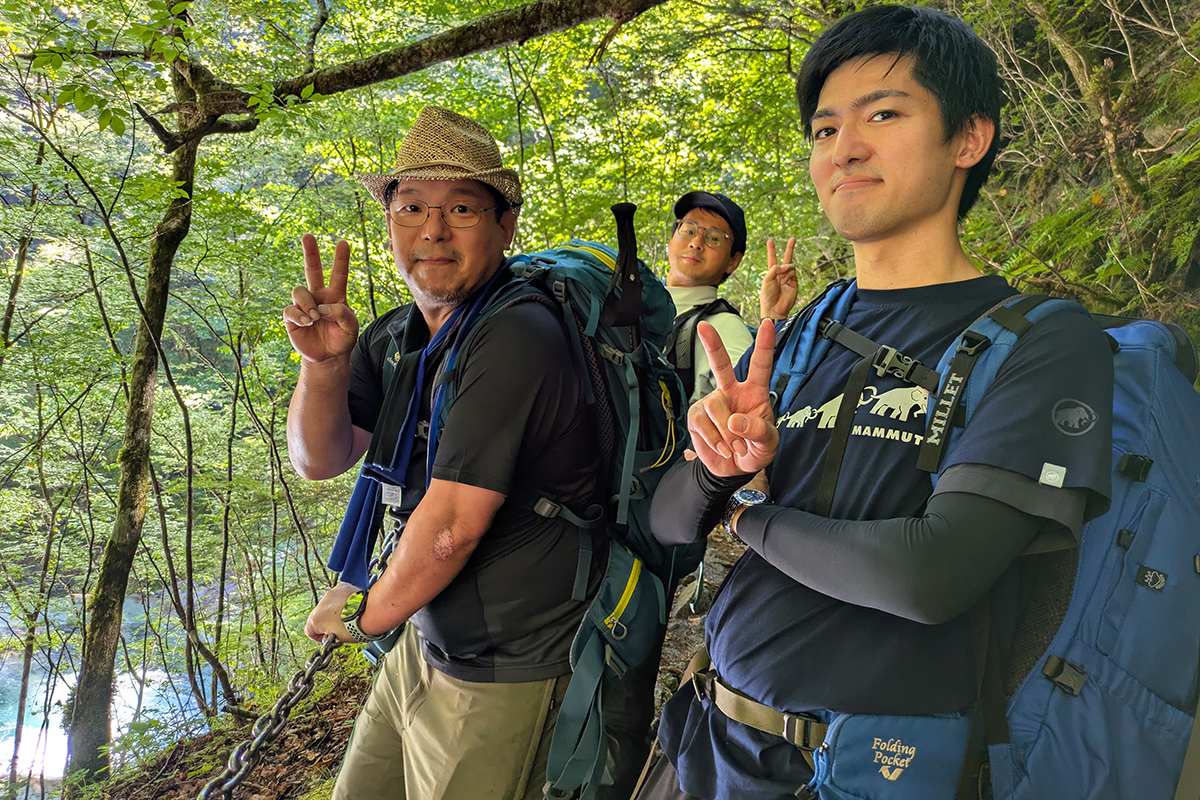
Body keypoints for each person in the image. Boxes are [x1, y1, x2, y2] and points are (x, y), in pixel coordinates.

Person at [638, 6, 1114, 799]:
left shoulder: (1042, 341)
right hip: (707, 736)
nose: (843, 148)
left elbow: (930, 576)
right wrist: (720, 470)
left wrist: (745, 516)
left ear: (969, 138)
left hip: (857, 769)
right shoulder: (811, 324)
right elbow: (666, 523)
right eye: (825, 130)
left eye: (882, 115)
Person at [283, 106, 607, 800]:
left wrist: (365, 612)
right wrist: (324, 366)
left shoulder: (518, 334)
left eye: (461, 206)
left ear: (505, 226)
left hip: (503, 663)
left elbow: (451, 528)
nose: (432, 228)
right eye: (412, 207)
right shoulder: (401, 335)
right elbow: (320, 458)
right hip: (422, 635)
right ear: (391, 223)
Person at [663, 192, 800, 405]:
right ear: (671, 242)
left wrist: (774, 320)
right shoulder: (634, 299)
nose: (696, 242)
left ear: (733, 262)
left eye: (714, 238)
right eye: (689, 230)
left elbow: (753, 402)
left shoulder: (724, 328)